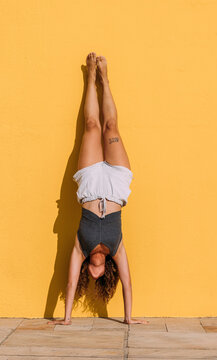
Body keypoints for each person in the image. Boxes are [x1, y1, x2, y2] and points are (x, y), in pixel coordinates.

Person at [49, 53, 149, 326]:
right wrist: (129, 319)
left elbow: (70, 283)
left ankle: (92, 76)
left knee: (92, 126)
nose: (93, 272)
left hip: (91, 183)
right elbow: (128, 284)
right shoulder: (117, 249)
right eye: (98, 273)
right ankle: (105, 78)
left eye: (89, 274)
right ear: (106, 271)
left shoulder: (80, 249)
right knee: (110, 126)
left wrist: (66, 318)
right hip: (116, 184)